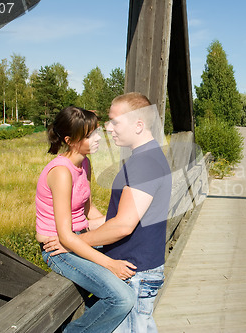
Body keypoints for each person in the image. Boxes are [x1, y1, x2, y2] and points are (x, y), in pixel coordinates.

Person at [46, 93, 172, 332]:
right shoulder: (147, 157)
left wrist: (72, 243)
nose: (107, 128)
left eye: (115, 121)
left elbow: (123, 226)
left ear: (138, 125)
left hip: (135, 271)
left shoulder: (144, 163)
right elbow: (117, 218)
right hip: (136, 269)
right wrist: (74, 233)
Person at [35, 106, 136, 333]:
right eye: (91, 135)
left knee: (131, 266)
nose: (99, 138)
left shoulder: (84, 163)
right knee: (122, 298)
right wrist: (111, 264)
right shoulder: (61, 172)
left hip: (80, 239)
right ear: (70, 140)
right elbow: (65, 236)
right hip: (58, 251)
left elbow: (90, 213)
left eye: (97, 132)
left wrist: (119, 223)